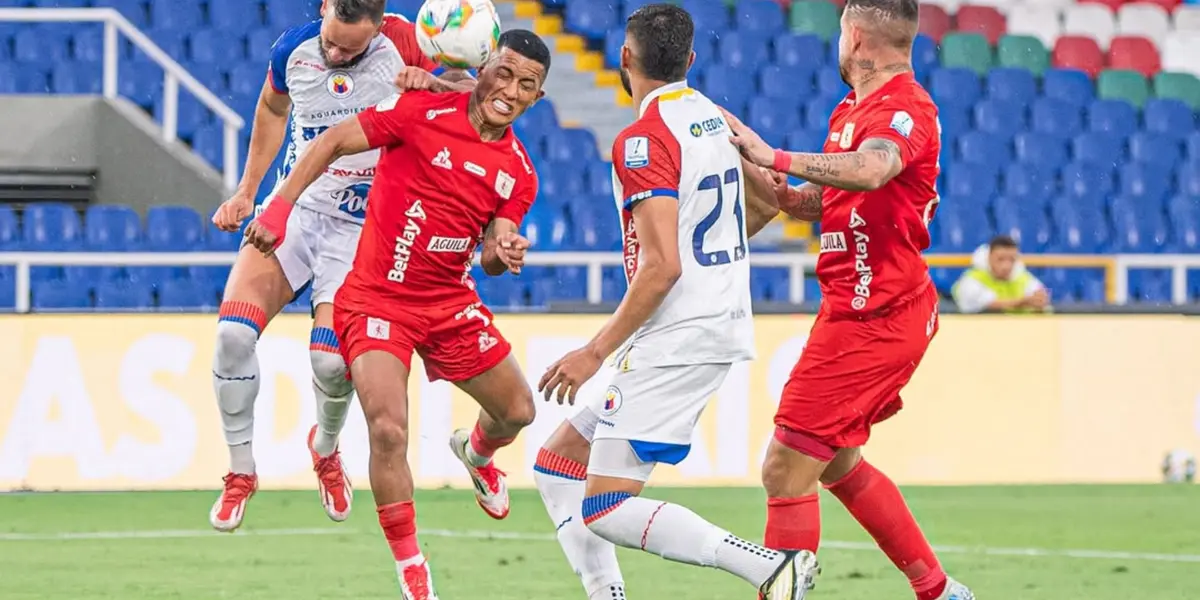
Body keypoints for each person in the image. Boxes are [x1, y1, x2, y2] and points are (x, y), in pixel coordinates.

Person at [243, 29, 551, 599]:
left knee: (519, 411)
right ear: (483, 69)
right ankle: (412, 565)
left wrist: (504, 253)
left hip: (448, 303)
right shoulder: (422, 110)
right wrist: (281, 207)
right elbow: (335, 139)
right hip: (376, 299)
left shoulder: (519, 172)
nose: (509, 90)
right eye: (503, 73)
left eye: (526, 85)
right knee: (388, 428)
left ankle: (478, 453)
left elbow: (492, 251)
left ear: (537, 97)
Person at [535, 6, 813, 600]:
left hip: (678, 336)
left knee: (606, 505)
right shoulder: (715, 118)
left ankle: (766, 567)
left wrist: (591, 352)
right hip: (706, 323)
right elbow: (772, 200)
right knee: (556, 463)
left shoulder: (642, 141)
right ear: (690, 61)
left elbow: (662, 266)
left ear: (625, 59)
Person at [720, 0, 975, 598]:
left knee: (784, 466)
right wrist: (772, 178)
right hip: (853, 311)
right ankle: (940, 591)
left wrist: (777, 156)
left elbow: (873, 169)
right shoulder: (850, 109)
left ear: (855, 38)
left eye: (839, 32)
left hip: (878, 317)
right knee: (832, 462)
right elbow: (826, 200)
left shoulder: (906, 107)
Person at [207, 0, 473, 533]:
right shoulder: (293, 49)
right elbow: (271, 109)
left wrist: (435, 83)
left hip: (362, 231)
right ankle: (240, 473)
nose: (335, 53)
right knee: (232, 336)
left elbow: (482, 96)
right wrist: (246, 192)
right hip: (297, 209)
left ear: (377, 30)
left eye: (350, 50)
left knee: (331, 366)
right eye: (331, 41)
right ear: (325, 9)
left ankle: (325, 451)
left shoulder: (407, 39)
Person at [952, 235, 1051, 313]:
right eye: (1001, 259)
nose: (1006, 266)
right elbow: (984, 304)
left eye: (1011, 260)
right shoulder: (972, 279)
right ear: (989, 257)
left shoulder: (1023, 277)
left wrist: (1040, 302)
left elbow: (1041, 298)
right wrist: (1023, 302)